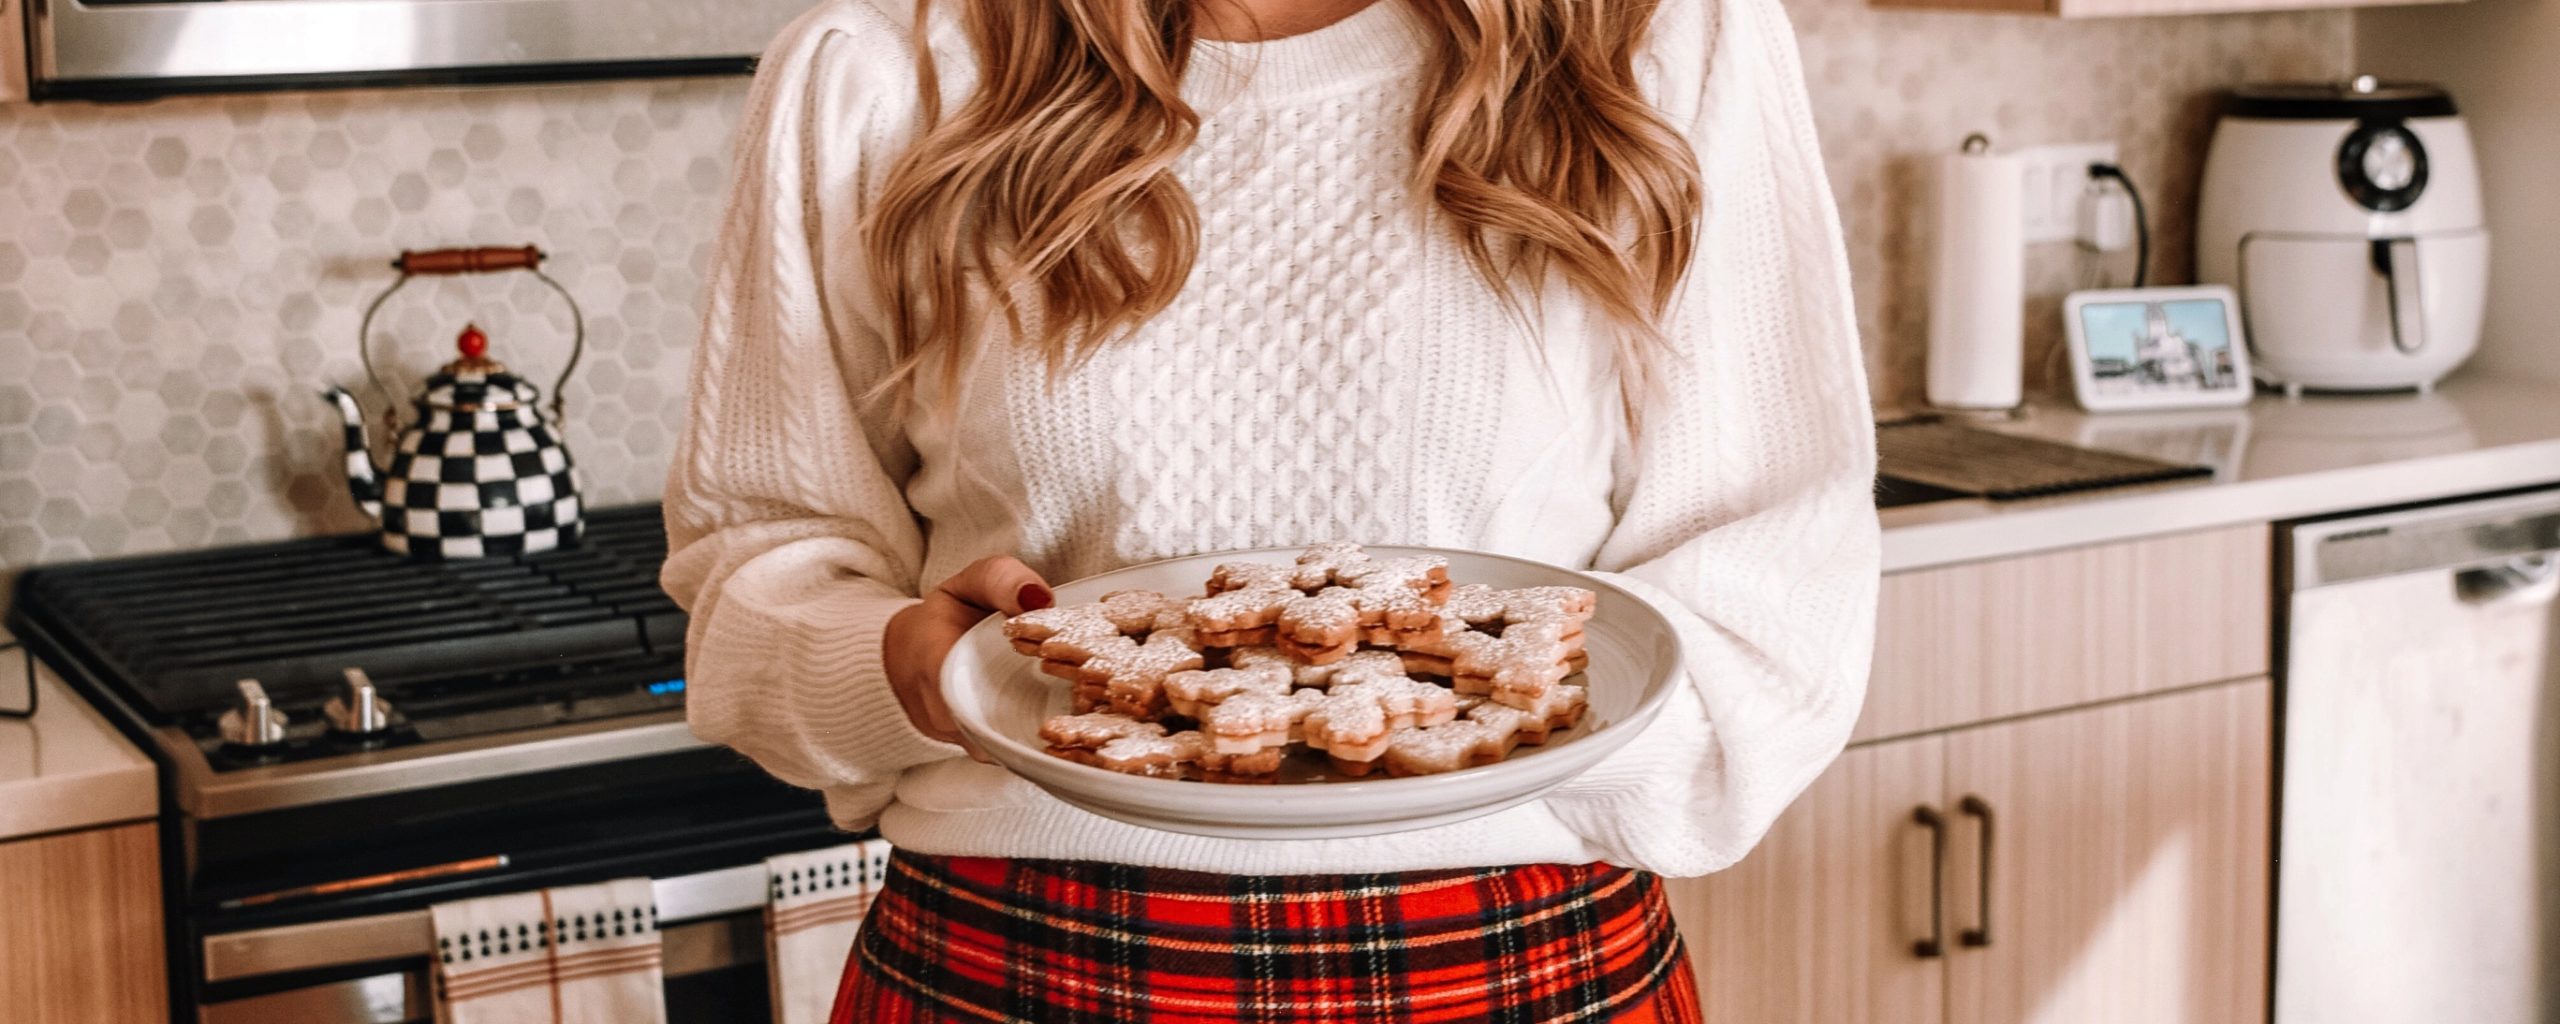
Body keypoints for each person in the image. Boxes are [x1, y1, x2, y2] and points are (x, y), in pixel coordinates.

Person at [660, 0, 1880, 1012]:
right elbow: (755, 576)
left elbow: (1771, 593)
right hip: (1018, 961)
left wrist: (1498, 725)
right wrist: (907, 667)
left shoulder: (1657, 37)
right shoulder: (888, 70)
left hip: (1518, 959)